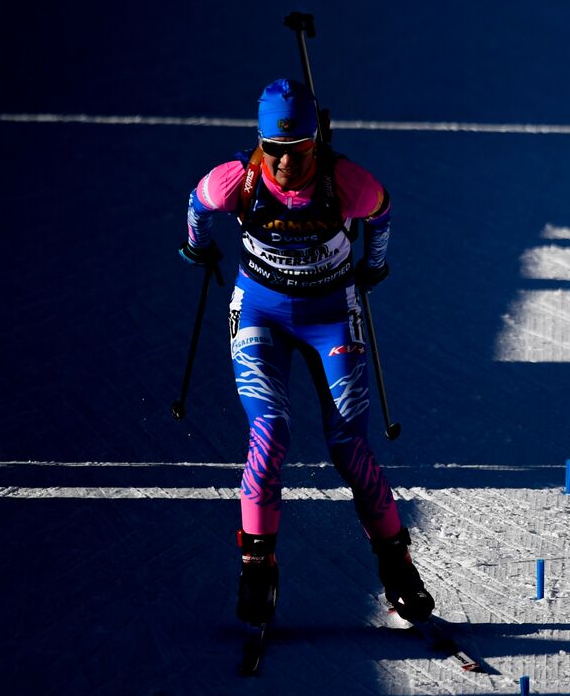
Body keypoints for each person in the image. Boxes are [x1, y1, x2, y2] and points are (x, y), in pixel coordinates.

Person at [178, 78, 434, 627]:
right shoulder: (238, 180)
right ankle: (257, 572)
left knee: (348, 446)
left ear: (315, 141)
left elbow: (382, 212)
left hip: (330, 314)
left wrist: (374, 264)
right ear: (261, 142)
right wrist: (197, 249)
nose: (286, 162)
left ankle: (397, 568)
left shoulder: (345, 180)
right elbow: (198, 205)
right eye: (275, 149)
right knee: (269, 433)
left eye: (297, 151)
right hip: (260, 314)